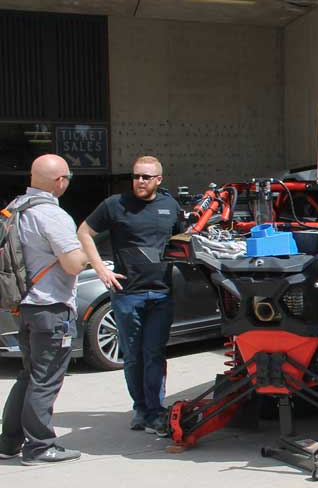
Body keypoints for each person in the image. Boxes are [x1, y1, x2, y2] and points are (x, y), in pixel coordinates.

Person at [77, 156, 183, 435]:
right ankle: (141, 409)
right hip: (126, 294)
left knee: (154, 354)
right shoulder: (115, 204)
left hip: (161, 293)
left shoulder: (170, 206)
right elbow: (84, 232)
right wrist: (100, 269)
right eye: (136, 176)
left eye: (146, 177)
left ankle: (155, 410)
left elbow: (184, 241)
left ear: (159, 180)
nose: (140, 181)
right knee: (133, 356)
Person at [0, 154, 88, 465]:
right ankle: (39, 447)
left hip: (23, 307)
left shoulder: (15, 207)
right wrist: (88, 255)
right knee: (45, 379)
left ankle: (9, 442)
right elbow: (72, 263)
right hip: (51, 308)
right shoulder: (52, 215)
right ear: (60, 181)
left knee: (28, 375)